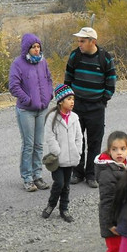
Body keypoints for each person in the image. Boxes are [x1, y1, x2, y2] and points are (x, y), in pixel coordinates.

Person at [64, 26, 117, 188]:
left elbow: (111, 80)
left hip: (96, 108)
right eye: (78, 40)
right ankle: (77, 172)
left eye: (82, 41)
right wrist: (69, 101)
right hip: (77, 106)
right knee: (77, 140)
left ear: (92, 41)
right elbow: (68, 78)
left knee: (95, 141)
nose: (79, 43)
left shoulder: (105, 58)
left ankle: (91, 174)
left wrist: (103, 99)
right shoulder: (75, 55)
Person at [8, 33, 53, 192]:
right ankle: (27, 178)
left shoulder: (42, 62)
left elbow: (49, 79)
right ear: (26, 48)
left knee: (39, 144)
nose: (36, 49)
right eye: (33, 47)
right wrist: (27, 100)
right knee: (28, 144)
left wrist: (49, 95)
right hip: (26, 110)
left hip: (42, 109)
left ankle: (37, 175)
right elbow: (14, 86)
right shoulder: (18, 64)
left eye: (38, 46)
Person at [92, 130, 127, 252]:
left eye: (122, 148)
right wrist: (110, 224)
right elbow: (106, 202)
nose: (119, 153)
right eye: (115, 149)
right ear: (109, 151)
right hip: (113, 222)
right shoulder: (108, 173)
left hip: (124, 220)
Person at [42, 84, 82, 223]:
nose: (72, 102)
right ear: (60, 101)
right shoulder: (52, 117)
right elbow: (49, 136)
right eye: (69, 99)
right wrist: (57, 151)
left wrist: (78, 151)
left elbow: (79, 137)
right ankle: (51, 204)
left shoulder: (75, 118)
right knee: (59, 183)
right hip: (58, 160)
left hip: (71, 158)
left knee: (66, 185)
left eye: (73, 99)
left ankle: (64, 209)